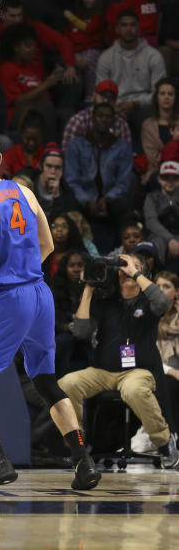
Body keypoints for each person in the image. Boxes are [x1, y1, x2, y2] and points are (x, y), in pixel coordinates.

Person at [0, 128, 99, 491]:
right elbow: (46, 243)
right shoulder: (24, 190)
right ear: (0, 161)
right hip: (40, 294)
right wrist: (26, 272)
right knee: (46, 382)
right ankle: (83, 462)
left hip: (9, 298)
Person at [58, 253, 179, 469]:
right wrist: (88, 287)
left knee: (133, 390)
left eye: (131, 267)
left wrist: (135, 271)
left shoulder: (148, 301)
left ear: (143, 271)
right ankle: (78, 446)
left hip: (138, 371)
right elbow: (81, 331)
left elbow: (162, 301)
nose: (125, 271)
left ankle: (163, 442)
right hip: (102, 372)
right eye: (121, 268)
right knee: (67, 383)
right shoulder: (106, 300)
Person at [64, 103, 134, 225]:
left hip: (111, 200)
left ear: (113, 121)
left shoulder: (122, 147)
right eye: (100, 115)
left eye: (108, 117)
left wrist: (107, 199)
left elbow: (124, 181)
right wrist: (87, 201)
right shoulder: (76, 145)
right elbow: (71, 180)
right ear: (93, 118)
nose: (103, 119)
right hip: (83, 198)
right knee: (68, 201)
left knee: (125, 204)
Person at [0, 0, 78, 80]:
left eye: (20, 15)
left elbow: (62, 41)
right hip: (9, 85)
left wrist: (70, 65)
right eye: (13, 16)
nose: (17, 20)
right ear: (1, 14)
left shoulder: (34, 27)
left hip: (36, 80)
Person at [95, 10, 166, 124]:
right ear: (117, 29)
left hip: (143, 106)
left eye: (132, 25)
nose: (128, 29)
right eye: (124, 25)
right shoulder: (106, 57)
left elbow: (160, 93)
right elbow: (101, 92)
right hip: (115, 106)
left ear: (139, 29)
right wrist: (113, 106)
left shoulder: (153, 56)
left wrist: (136, 104)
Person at [0, 23, 63, 132]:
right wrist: (46, 84)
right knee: (45, 107)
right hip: (17, 116)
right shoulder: (6, 69)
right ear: (16, 48)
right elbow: (18, 102)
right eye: (28, 46)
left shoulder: (31, 69)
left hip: (38, 113)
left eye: (34, 46)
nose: (33, 50)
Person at [63, 0, 108, 101]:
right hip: (75, 53)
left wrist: (72, 18)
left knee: (90, 60)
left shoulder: (99, 16)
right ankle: (76, 100)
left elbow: (88, 28)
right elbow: (67, 37)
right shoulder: (79, 15)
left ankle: (91, 96)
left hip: (93, 51)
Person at [51, 250, 91, 379]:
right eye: (72, 266)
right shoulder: (55, 290)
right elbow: (50, 320)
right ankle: (60, 383)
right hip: (64, 334)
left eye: (80, 265)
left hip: (88, 333)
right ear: (65, 268)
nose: (76, 269)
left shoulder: (94, 289)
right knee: (64, 341)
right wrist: (66, 327)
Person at [61, 80, 131, 151]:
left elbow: (125, 155)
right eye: (103, 96)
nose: (106, 100)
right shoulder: (78, 120)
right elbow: (68, 153)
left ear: (115, 100)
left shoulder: (121, 124)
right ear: (94, 94)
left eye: (110, 98)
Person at [141, 78, 179, 182]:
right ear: (156, 98)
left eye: (170, 94)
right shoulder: (148, 125)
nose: (166, 97)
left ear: (175, 98)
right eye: (162, 94)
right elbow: (153, 157)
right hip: (159, 170)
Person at [155, 271, 179, 439]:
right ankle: (171, 436)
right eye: (157, 286)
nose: (161, 290)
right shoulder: (148, 315)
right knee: (169, 383)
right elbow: (145, 354)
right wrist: (172, 371)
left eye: (166, 286)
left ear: (177, 292)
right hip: (156, 371)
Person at [144, 160, 179, 266]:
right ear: (159, 179)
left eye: (174, 178)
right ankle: (156, 276)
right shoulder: (151, 197)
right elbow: (151, 221)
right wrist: (170, 239)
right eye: (166, 178)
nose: (170, 182)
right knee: (157, 243)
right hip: (159, 235)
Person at [32, 144, 80, 218]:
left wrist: (57, 196)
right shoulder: (31, 184)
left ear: (62, 170)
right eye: (49, 166)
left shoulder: (67, 191)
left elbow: (65, 221)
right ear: (41, 167)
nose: (53, 171)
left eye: (57, 168)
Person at [0, 111, 45, 179]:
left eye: (35, 139)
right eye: (28, 139)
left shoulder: (45, 156)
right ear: (21, 135)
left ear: (42, 136)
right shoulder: (9, 156)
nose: (31, 143)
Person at [43, 213, 86, 280]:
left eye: (64, 226)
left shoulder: (79, 255)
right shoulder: (41, 254)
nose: (59, 230)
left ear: (70, 230)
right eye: (54, 226)